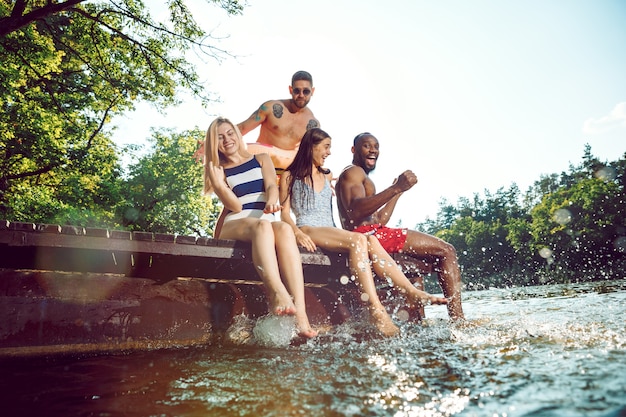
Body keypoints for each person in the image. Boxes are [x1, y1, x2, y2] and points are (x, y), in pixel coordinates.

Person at [279, 128, 448, 337]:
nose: (329, 152)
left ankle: (411, 291)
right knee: (359, 239)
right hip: (308, 228)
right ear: (311, 147)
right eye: (325, 147)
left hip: (330, 230)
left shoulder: (328, 174)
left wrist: (395, 189)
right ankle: (376, 309)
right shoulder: (289, 176)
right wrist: (297, 233)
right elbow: (285, 214)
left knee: (371, 241)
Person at [203, 116, 317, 338]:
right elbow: (234, 206)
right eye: (219, 137)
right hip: (237, 222)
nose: (227, 140)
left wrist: (272, 200)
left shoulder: (261, 159)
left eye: (230, 133)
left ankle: (301, 314)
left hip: (264, 219)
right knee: (262, 228)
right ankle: (276, 291)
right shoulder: (218, 170)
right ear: (213, 144)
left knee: (283, 229)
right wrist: (218, 184)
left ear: (238, 134)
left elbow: (271, 187)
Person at [335, 132, 465, 320]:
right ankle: (459, 320)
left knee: (436, 256)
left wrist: (398, 192)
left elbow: (378, 219)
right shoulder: (353, 172)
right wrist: (395, 188)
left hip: (373, 232)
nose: (373, 150)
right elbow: (355, 211)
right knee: (446, 251)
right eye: (367, 146)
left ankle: (423, 317)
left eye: (376, 146)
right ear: (354, 150)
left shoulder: (361, 177)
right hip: (368, 235)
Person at [238, 70, 320, 174]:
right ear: (290, 90)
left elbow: (315, 154)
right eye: (297, 91)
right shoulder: (270, 108)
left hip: (287, 172)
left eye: (306, 91)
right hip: (260, 165)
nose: (301, 95)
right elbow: (241, 129)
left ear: (312, 91)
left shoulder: (313, 125)